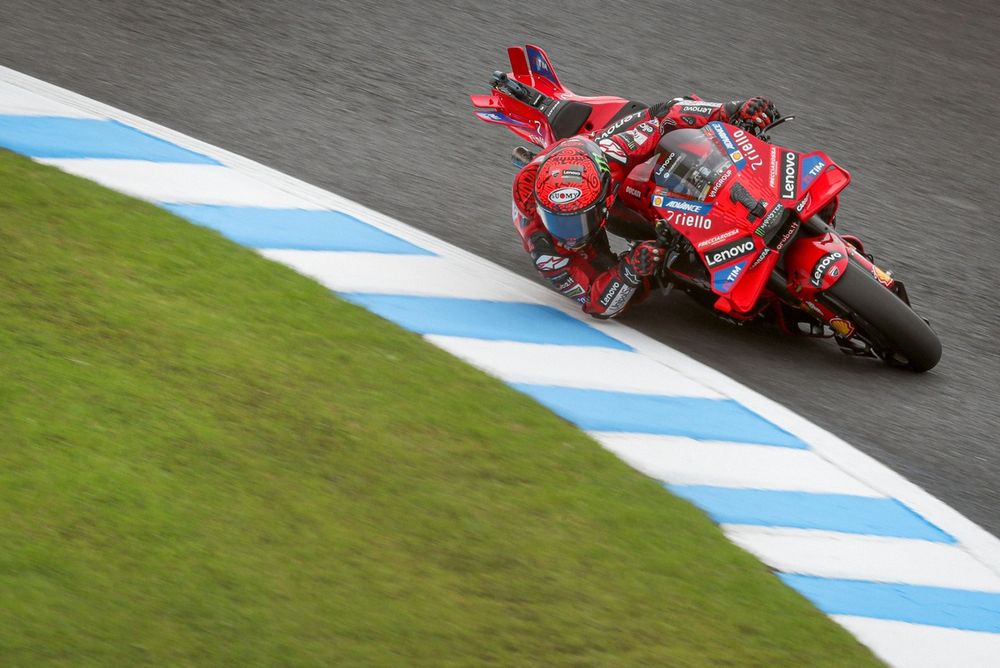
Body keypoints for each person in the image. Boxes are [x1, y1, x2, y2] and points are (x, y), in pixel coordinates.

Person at [512, 96, 779, 318]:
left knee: (667, 121)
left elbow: (667, 116)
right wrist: (629, 269)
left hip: (599, 152)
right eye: (559, 220)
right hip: (594, 198)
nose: (570, 233)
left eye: (578, 221)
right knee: (644, 276)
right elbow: (596, 303)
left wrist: (729, 110)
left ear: (603, 195)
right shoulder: (544, 245)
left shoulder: (613, 152)